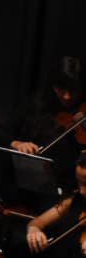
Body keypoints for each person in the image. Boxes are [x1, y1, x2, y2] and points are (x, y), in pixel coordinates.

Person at [7, 56, 83, 195]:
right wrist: (17, 143)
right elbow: (1, 133)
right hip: (29, 185)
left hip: (72, 190)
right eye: (61, 88)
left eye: (73, 90)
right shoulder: (35, 105)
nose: (67, 96)